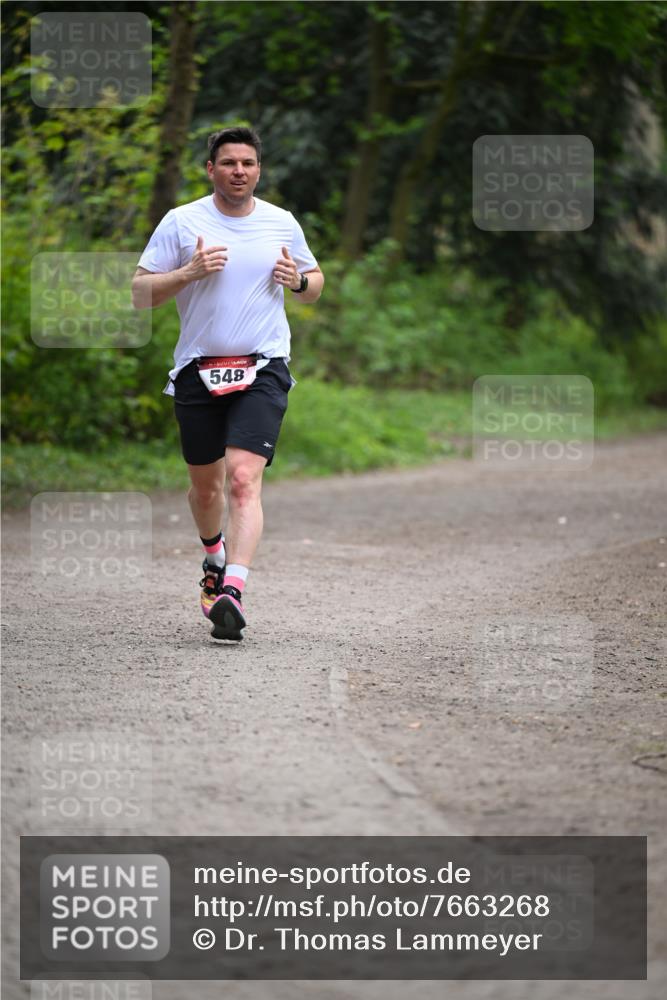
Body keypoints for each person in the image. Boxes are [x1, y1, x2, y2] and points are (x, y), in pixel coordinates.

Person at [132, 125, 324, 640]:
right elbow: (140, 293)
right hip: (199, 368)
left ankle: (231, 593)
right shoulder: (181, 222)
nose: (239, 170)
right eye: (229, 162)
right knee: (206, 487)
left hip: (263, 367)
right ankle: (213, 556)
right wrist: (187, 273)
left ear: (259, 170)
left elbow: (315, 283)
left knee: (243, 478)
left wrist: (299, 282)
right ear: (210, 169)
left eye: (248, 163)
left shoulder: (281, 222)